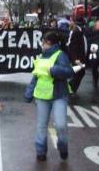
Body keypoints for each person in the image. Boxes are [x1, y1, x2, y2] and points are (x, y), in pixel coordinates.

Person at [25, 31, 74, 161]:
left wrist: (53, 70)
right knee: (41, 125)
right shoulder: (41, 57)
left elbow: (69, 72)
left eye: (43, 43)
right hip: (42, 96)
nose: (41, 45)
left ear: (49, 43)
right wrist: (29, 92)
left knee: (60, 125)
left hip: (58, 95)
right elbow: (36, 76)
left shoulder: (60, 55)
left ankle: (63, 146)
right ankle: (40, 151)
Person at [67, 18, 87, 94]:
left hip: (80, 57)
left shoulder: (78, 30)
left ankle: (71, 88)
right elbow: (73, 46)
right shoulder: (76, 31)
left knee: (80, 72)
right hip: (78, 57)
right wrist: (75, 58)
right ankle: (70, 88)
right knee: (79, 72)